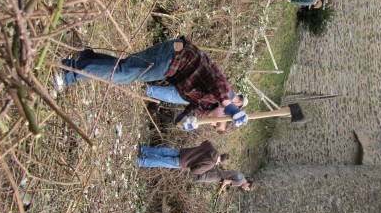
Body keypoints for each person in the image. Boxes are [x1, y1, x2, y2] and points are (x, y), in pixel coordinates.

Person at [56, 38, 248, 129]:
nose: (213, 123)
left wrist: (184, 121)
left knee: (124, 70)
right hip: (175, 57)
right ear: (226, 112)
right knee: (124, 74)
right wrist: (229, 106)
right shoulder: (225, 94)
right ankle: (70, 70)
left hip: (170, 67)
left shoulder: (206, 107)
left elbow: (189, 112)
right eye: (217, 122)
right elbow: (219, 86)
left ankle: (87, 58)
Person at [137, 140, 228, 175]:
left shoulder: (210, 147)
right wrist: (192, 165)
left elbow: (206, 142)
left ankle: (143, 149)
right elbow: (195, 170)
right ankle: (141, 162)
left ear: (222, 154)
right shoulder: (210, 164)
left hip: (183, 152)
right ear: (221, 162)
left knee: (162, 151)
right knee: (161, 161)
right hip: (182, 163)